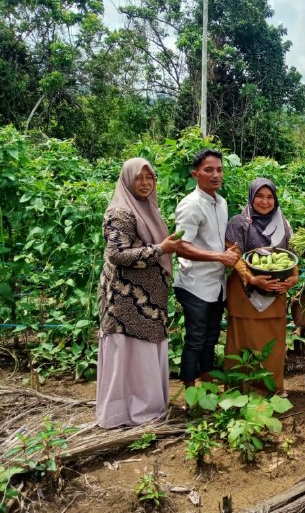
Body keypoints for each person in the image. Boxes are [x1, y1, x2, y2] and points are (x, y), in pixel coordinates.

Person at [97, 157, 181, 428]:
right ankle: (125, 412)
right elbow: (117, 254)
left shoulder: (147, 208)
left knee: (143, 353)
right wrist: (160, 250)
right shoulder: (120, 212)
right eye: (139, 178)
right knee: (130, 352)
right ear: (127, 180)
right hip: (126, 299)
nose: (145, 184)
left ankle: (145, 408)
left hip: (147, 299)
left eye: (150, 178)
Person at [174, 149, 241, 389]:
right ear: (195, 174)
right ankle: (190, 389)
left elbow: (217, 238)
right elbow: (180, 246)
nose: (216, 175)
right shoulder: (191, 205)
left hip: (216, 283)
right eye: (208, 170)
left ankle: (207, 379)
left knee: (211, 336)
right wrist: (219, 256)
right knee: (196, 338)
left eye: (219, 169)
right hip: (195, 284)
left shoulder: (220, 202)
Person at [224, 178, 298, 394]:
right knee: (243, 340)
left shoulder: (282, 224)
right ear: (251, 197)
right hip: (244, 292)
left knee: (272, 344)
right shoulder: (238, 223)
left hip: (275, 291)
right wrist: (252, 278)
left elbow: (290, 255)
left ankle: (270, 391)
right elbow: (234, 256)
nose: (265, 202)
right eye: (259, 196)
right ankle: (239, 391)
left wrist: (294, 278)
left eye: (270, 197)